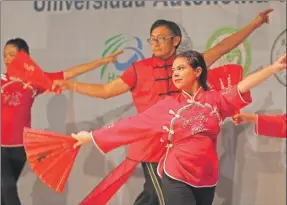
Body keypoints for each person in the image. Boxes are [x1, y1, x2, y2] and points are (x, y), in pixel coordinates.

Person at [53, 9, 273, 205]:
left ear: (176, 40)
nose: (155, 43)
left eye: (161, 38)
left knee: (153, 196)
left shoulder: (189, 64)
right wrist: (70, 84)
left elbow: (223, 47)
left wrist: (254, 25)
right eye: (152, 39)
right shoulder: (139, 69)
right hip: (152, 148)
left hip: (183, 148)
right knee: (160, 196)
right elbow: (106, 91)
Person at [71, 51, 286, 205]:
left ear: (198, 71)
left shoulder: (216, 100)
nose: (174, 73)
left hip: (206, 177)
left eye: (181, 68)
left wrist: (274, 68)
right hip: (176, 175)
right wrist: (91, 136)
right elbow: (132, 125)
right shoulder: (169, 106)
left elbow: (244, 85)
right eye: (173, 70)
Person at [1, 38, 122, 205]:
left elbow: (68, 74)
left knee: (5, 190)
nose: (7, 59)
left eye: (12, 55)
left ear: (24, 57)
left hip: (20, 148)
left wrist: (103, 61)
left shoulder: (35, 81)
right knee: (6, 186)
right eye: (5, 55)